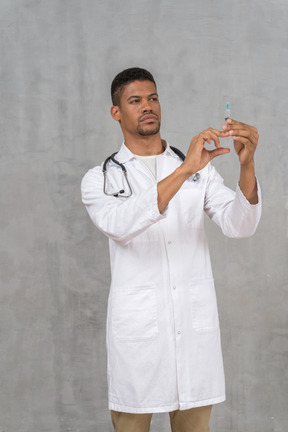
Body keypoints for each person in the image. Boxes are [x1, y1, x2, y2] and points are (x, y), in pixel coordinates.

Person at [81, 67, 262, 432]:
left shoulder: (201, 171)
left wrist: (247, 165)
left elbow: (239, 225)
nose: (147, 107)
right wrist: (183, 171)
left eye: (153, 98)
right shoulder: (101, 178)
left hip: (193, 335)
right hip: (139, 339)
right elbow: (121, 226)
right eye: (135, 101)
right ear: (116, 112)